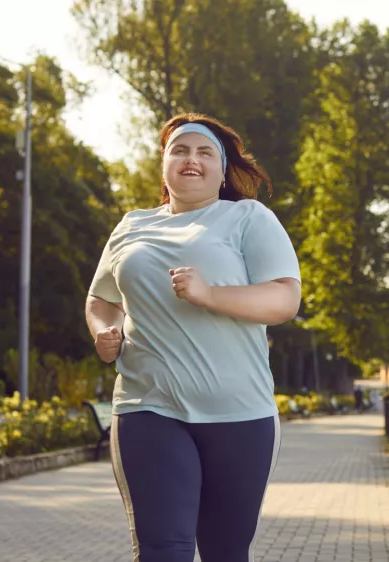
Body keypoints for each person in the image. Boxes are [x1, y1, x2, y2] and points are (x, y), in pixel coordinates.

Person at [85, 112, 301, 561]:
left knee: (225, 552)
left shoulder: (247, 218)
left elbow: (284, 300)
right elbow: (101, 299)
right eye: (179, 149)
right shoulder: (131, 226)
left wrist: (209, 294)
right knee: (163, 549)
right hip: (148, 408)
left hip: (241, 415)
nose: (192, 159)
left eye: (205, 152)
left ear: (222, 170)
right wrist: (104, 330)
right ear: (164, 165)